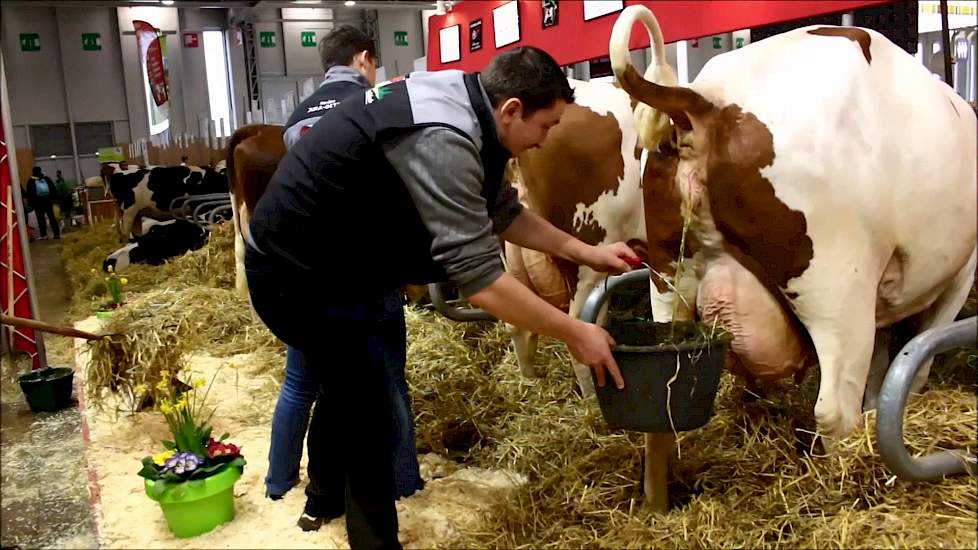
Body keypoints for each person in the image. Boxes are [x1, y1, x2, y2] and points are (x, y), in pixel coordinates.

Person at [245, 46, 636, 549]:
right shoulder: (445, 136)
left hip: (342, 263)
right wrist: (575, 331)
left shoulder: (470, 102)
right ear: (512, 109)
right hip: (297, 274)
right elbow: (482, 280)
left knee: (345, 389)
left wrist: (584, 250)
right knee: (368, 412)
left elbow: (501, 211)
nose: (544, 142)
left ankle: (322, 500)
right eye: (546, 126)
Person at [263, 25, 426, 529]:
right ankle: (403, 480)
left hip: (306, 271)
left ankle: (278, 480)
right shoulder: (375, 103)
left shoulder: (295, 119)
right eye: (373, 63)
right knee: (388, 379)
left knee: (300, 385)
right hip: (366, 269)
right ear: (364, 59)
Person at [26, 167, 60, 240]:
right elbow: (53, 188)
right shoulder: (47, 178)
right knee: (52, 218)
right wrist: (52, 199)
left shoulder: (31, 181)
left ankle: (44, 235)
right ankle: (56, 234)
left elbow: (29, 193)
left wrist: (31, 204)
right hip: (47, 201)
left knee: (41, 219)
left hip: (37, 203)